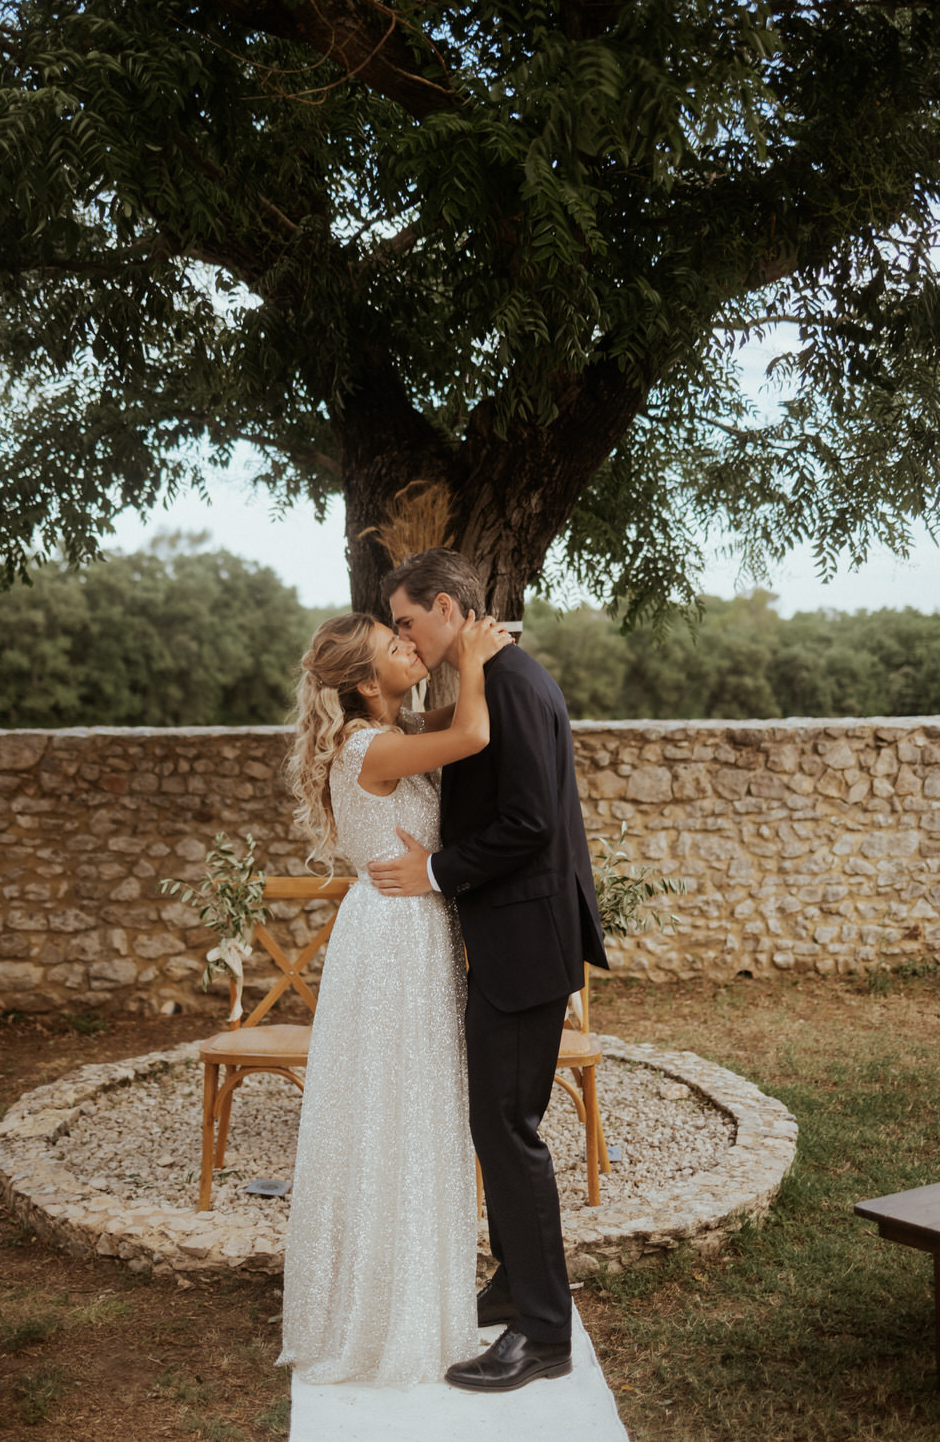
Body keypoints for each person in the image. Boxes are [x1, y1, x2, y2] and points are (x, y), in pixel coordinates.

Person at [368, 548, 610, 1394]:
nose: (404, 635)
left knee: (509, 1132)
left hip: (522, 942)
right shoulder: (495, 677)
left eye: (405, 621)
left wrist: (433, 871)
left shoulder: (507, 684)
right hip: (520, 939)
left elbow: (529, 824)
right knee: (498, 1128)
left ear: (444, 606)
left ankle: (543, 1334)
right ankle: (515, 1287)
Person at [279, 607, 511, 1387]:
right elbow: (474, 733)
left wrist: (483, 655)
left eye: (406, 634)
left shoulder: (396, 725)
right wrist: (470, 662)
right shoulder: (370, 744)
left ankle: (404, 1293)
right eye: (393, 645)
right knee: (397, 1111)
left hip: (409, 929)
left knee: (412, 1109)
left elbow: (463, 715)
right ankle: (383, 1311)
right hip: (394, 938)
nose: (409, 646)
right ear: (363, 680)